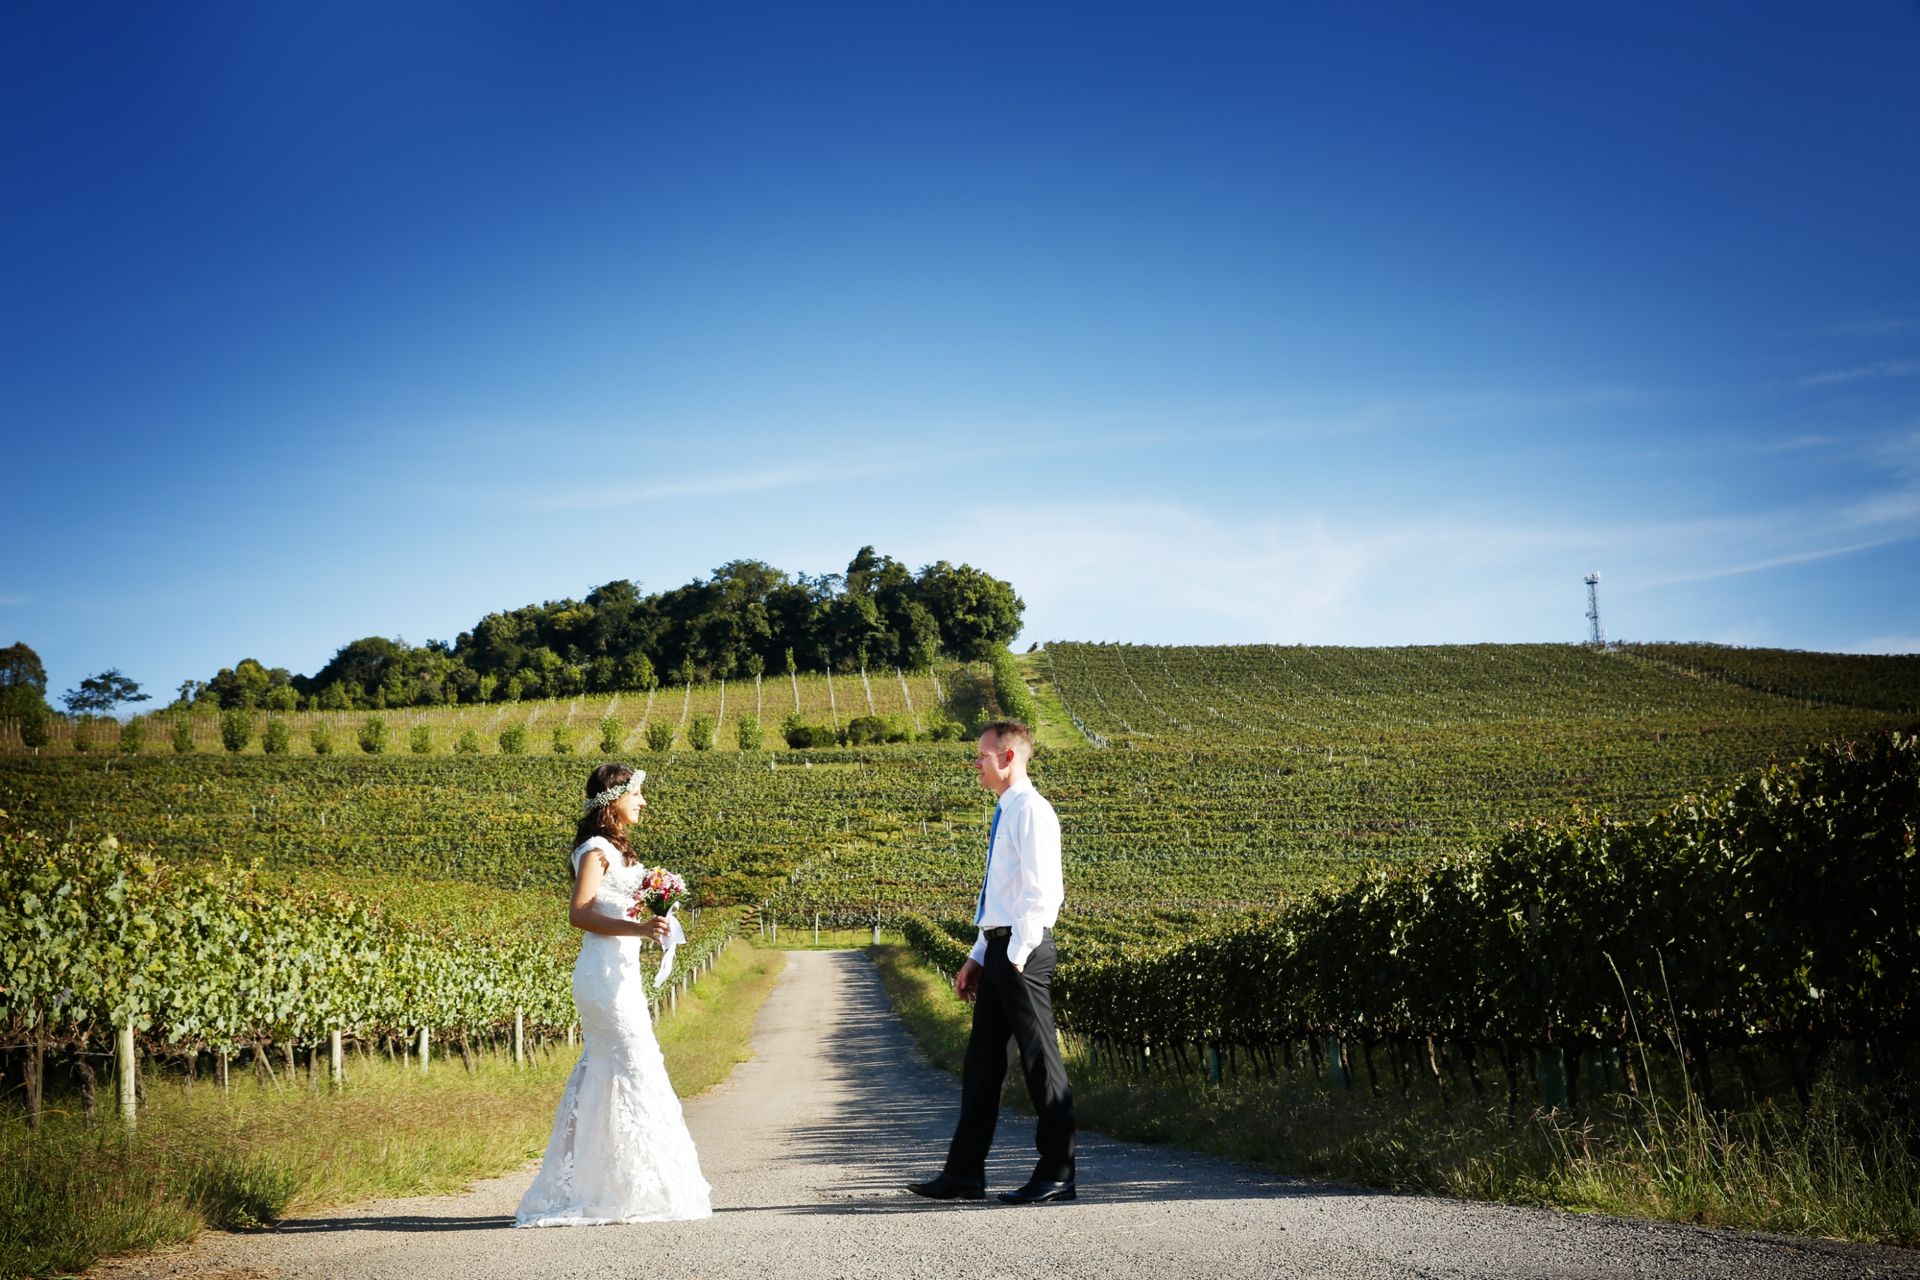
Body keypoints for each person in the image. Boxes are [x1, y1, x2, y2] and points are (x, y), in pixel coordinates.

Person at [515, 763, 713, 1227]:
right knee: (634, 1062)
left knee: (609, 1069)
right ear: (612, 800)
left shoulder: (616, 849)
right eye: (637, 794)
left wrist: (656, 920)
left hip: (619, 972)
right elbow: (580, 913)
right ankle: (631, 1187)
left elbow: (617, 908)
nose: (643, 802)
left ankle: (609, 1183)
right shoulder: (596, 849)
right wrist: (640, 927)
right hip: (602, 976)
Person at [908, 719, 1077, 1205]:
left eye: (982, 756)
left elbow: (1042, 892)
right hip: (1001, 949)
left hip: (1023, 952)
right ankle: (963, 1174)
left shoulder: (1032, 811)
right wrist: (978, 955)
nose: (975, 764)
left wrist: (1017, 954)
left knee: (1040, 1063)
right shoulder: (1007, 811)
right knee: (981, 1065)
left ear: (1008, 758)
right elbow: (1002, 897)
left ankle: (1059, 1173)